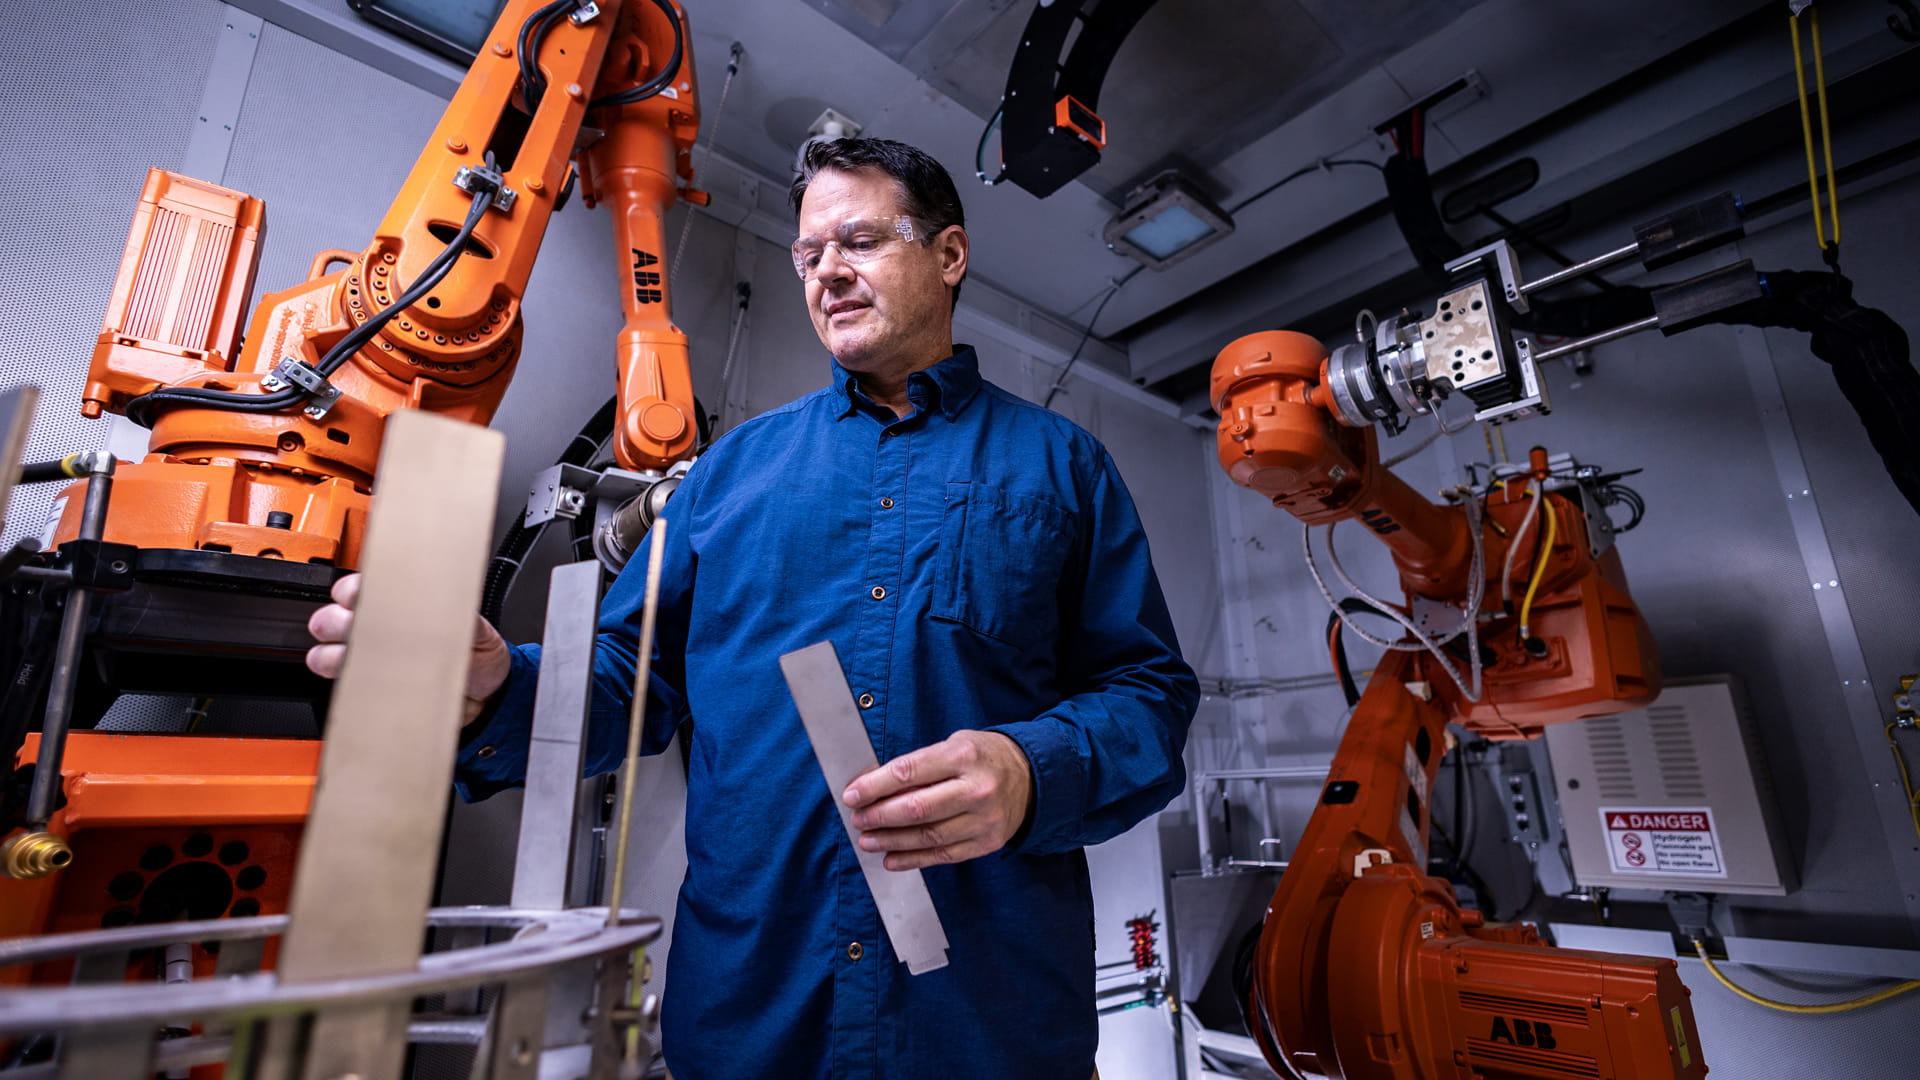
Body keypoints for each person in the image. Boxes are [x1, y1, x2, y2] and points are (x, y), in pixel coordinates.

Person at [307, 137, 1198, 1080]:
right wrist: (499, 689)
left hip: (985, 1023)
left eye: (859, 240)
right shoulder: (731, 474)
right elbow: (628, 680)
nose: (828, 275)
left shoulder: (1061, 467)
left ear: (948, 256)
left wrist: (1030, 770)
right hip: (754, 1020)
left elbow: (1148, 696)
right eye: (809, 255)